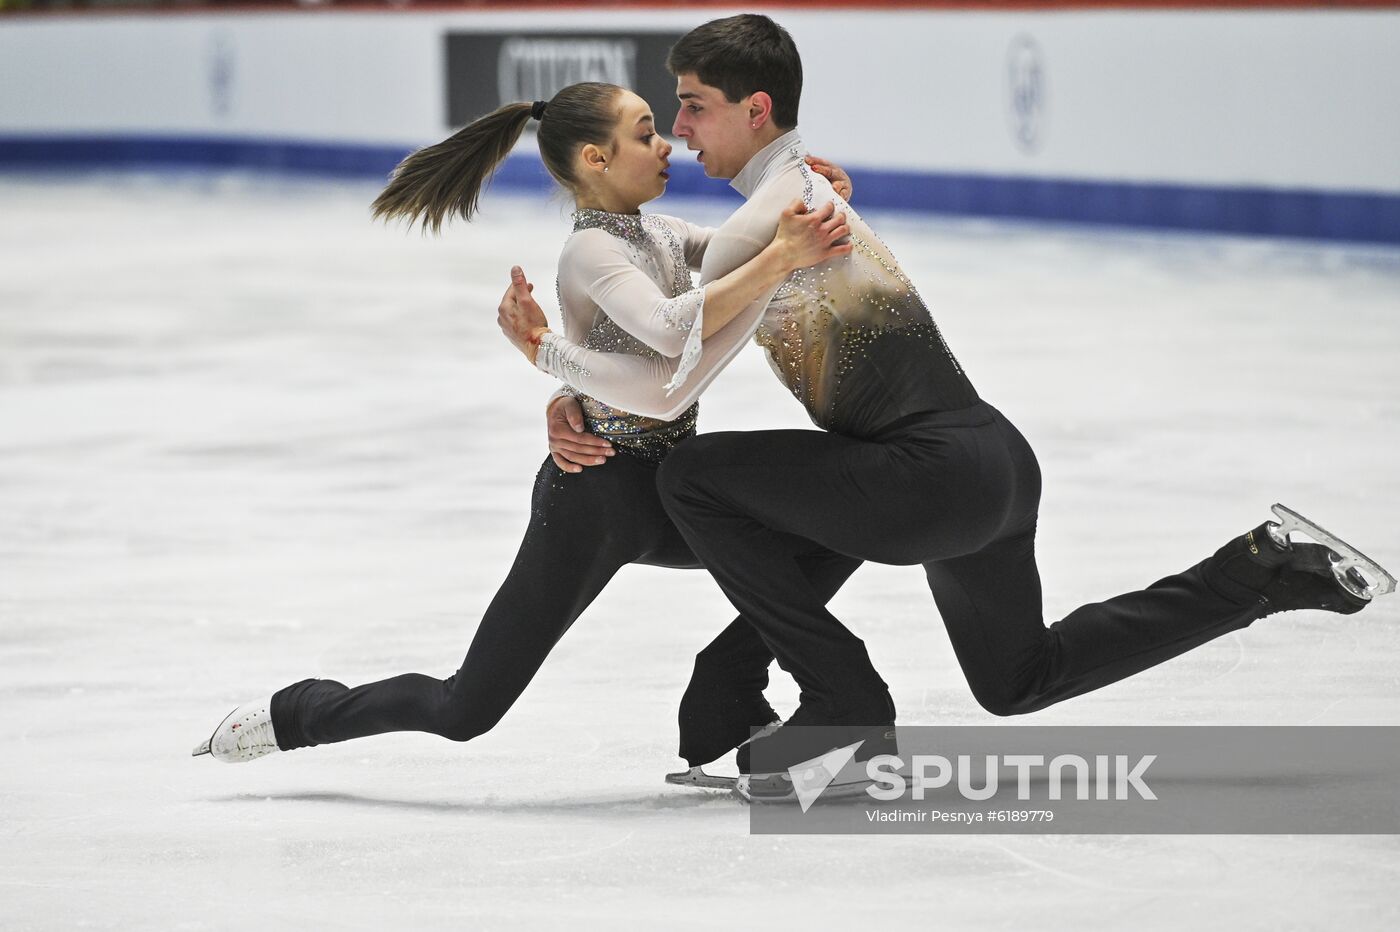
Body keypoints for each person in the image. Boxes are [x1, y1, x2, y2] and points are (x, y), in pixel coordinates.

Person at [498, 14, 1395, 792]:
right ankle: (1257, 574)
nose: (682, 130)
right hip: (994, 465)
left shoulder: (765, 226)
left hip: (924, 478)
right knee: (1017, 677)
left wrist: (551, 362)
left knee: (693, 476)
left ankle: (842, 698)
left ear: (754, 109)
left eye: (693, 105)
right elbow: (686, 288)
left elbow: (669, 378)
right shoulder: (800, 191)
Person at [192, 81, 855, 763]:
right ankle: (302, 712)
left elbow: (733, 251)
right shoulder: (590, 251)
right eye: (646, 131)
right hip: (593, 496)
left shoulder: (657, 231)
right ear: (597, 159)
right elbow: (669, 336)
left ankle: (727, 700)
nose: (667, 145)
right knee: (465, 709)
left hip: (674, 489)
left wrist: (806, 195)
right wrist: (549, 355)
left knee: (843, 519)